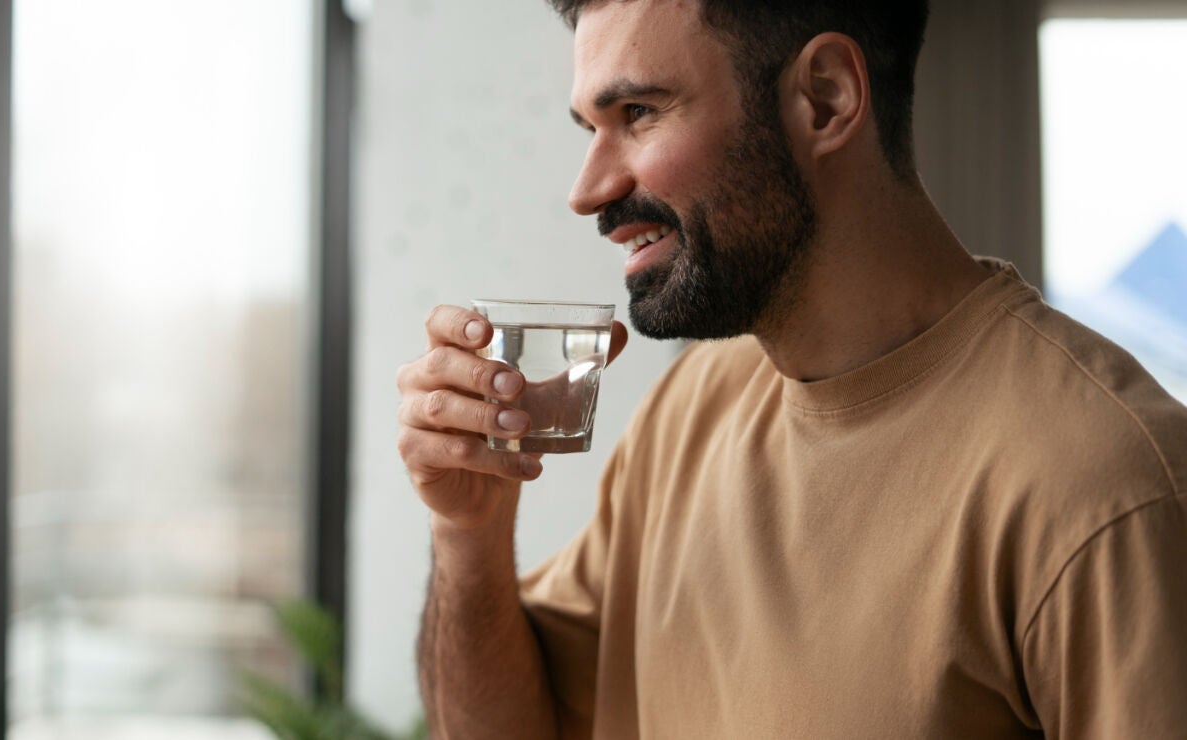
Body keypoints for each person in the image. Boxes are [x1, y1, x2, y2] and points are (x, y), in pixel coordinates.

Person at [395, 0, 1187, 736]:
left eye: (637, 114)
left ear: (826, 98)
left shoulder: (1106, 485)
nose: (588, 189)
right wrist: (469, 533)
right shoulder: (690, 412)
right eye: (590, 128)